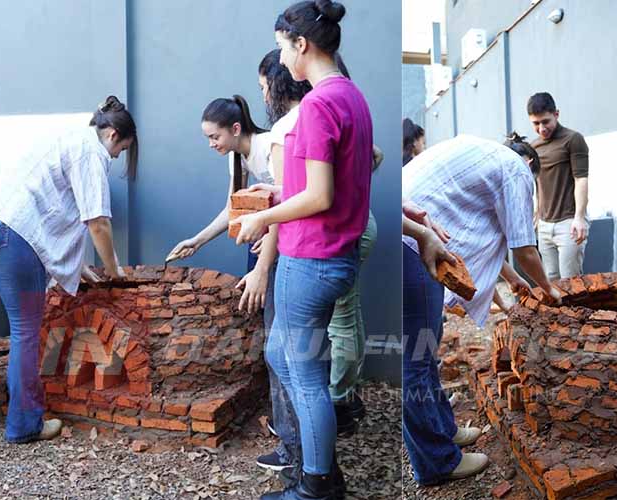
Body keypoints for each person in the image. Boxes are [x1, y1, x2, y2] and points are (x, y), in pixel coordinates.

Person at [0, 95, 138, 443]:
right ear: (111, 136)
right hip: (9, 231)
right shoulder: (90, 150)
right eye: (119, 150)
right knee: (25, 330)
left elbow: (52, 204)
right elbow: (97, 223)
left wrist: (78, 267)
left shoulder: (60, 134)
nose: (115, 157)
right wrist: (115, 271)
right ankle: (24, 424)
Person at [235, 1, 372, 497]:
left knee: (305, 375)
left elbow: (320, 196)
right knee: (282, 354)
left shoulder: (317, 104)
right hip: (332, 255)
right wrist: (276, 196)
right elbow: (327, 180)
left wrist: (261, 217)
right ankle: (319, 460)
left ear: (301, 45)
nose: (280, 61)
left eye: (280, 47)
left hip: (310, 256)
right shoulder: (350, 95)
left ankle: (317, 485)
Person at [401, 135, 560, 485]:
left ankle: (444, 432)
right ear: (531, 166)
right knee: (414, 360)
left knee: (425, 353)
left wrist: (515, 280)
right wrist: (548, 289)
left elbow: (489, 237)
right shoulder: (516, 170)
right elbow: (523, 247)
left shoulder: (484, 155)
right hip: (410, 244)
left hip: (409, 239)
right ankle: (437, 463)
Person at [166, 95, 272, 270]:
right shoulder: (236, 155)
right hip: (267, 233)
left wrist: (271, 239)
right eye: (208, 138)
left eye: (215, 137)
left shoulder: (268, 145)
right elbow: (231, 209)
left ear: (235, 129)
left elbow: (291, 197)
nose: (211, 144)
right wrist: (196, 242)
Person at [528, 92, 590, 280]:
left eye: (545, 121)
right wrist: (537, 214)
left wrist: (579, 218)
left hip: (568, 223)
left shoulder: (573, 139)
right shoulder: (534, 147)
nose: (541, 128)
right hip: (545, 224)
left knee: (571, 282)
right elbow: (538, 182)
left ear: (556, 114)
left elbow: (581, 179)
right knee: (551, 279)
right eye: (536, 124)